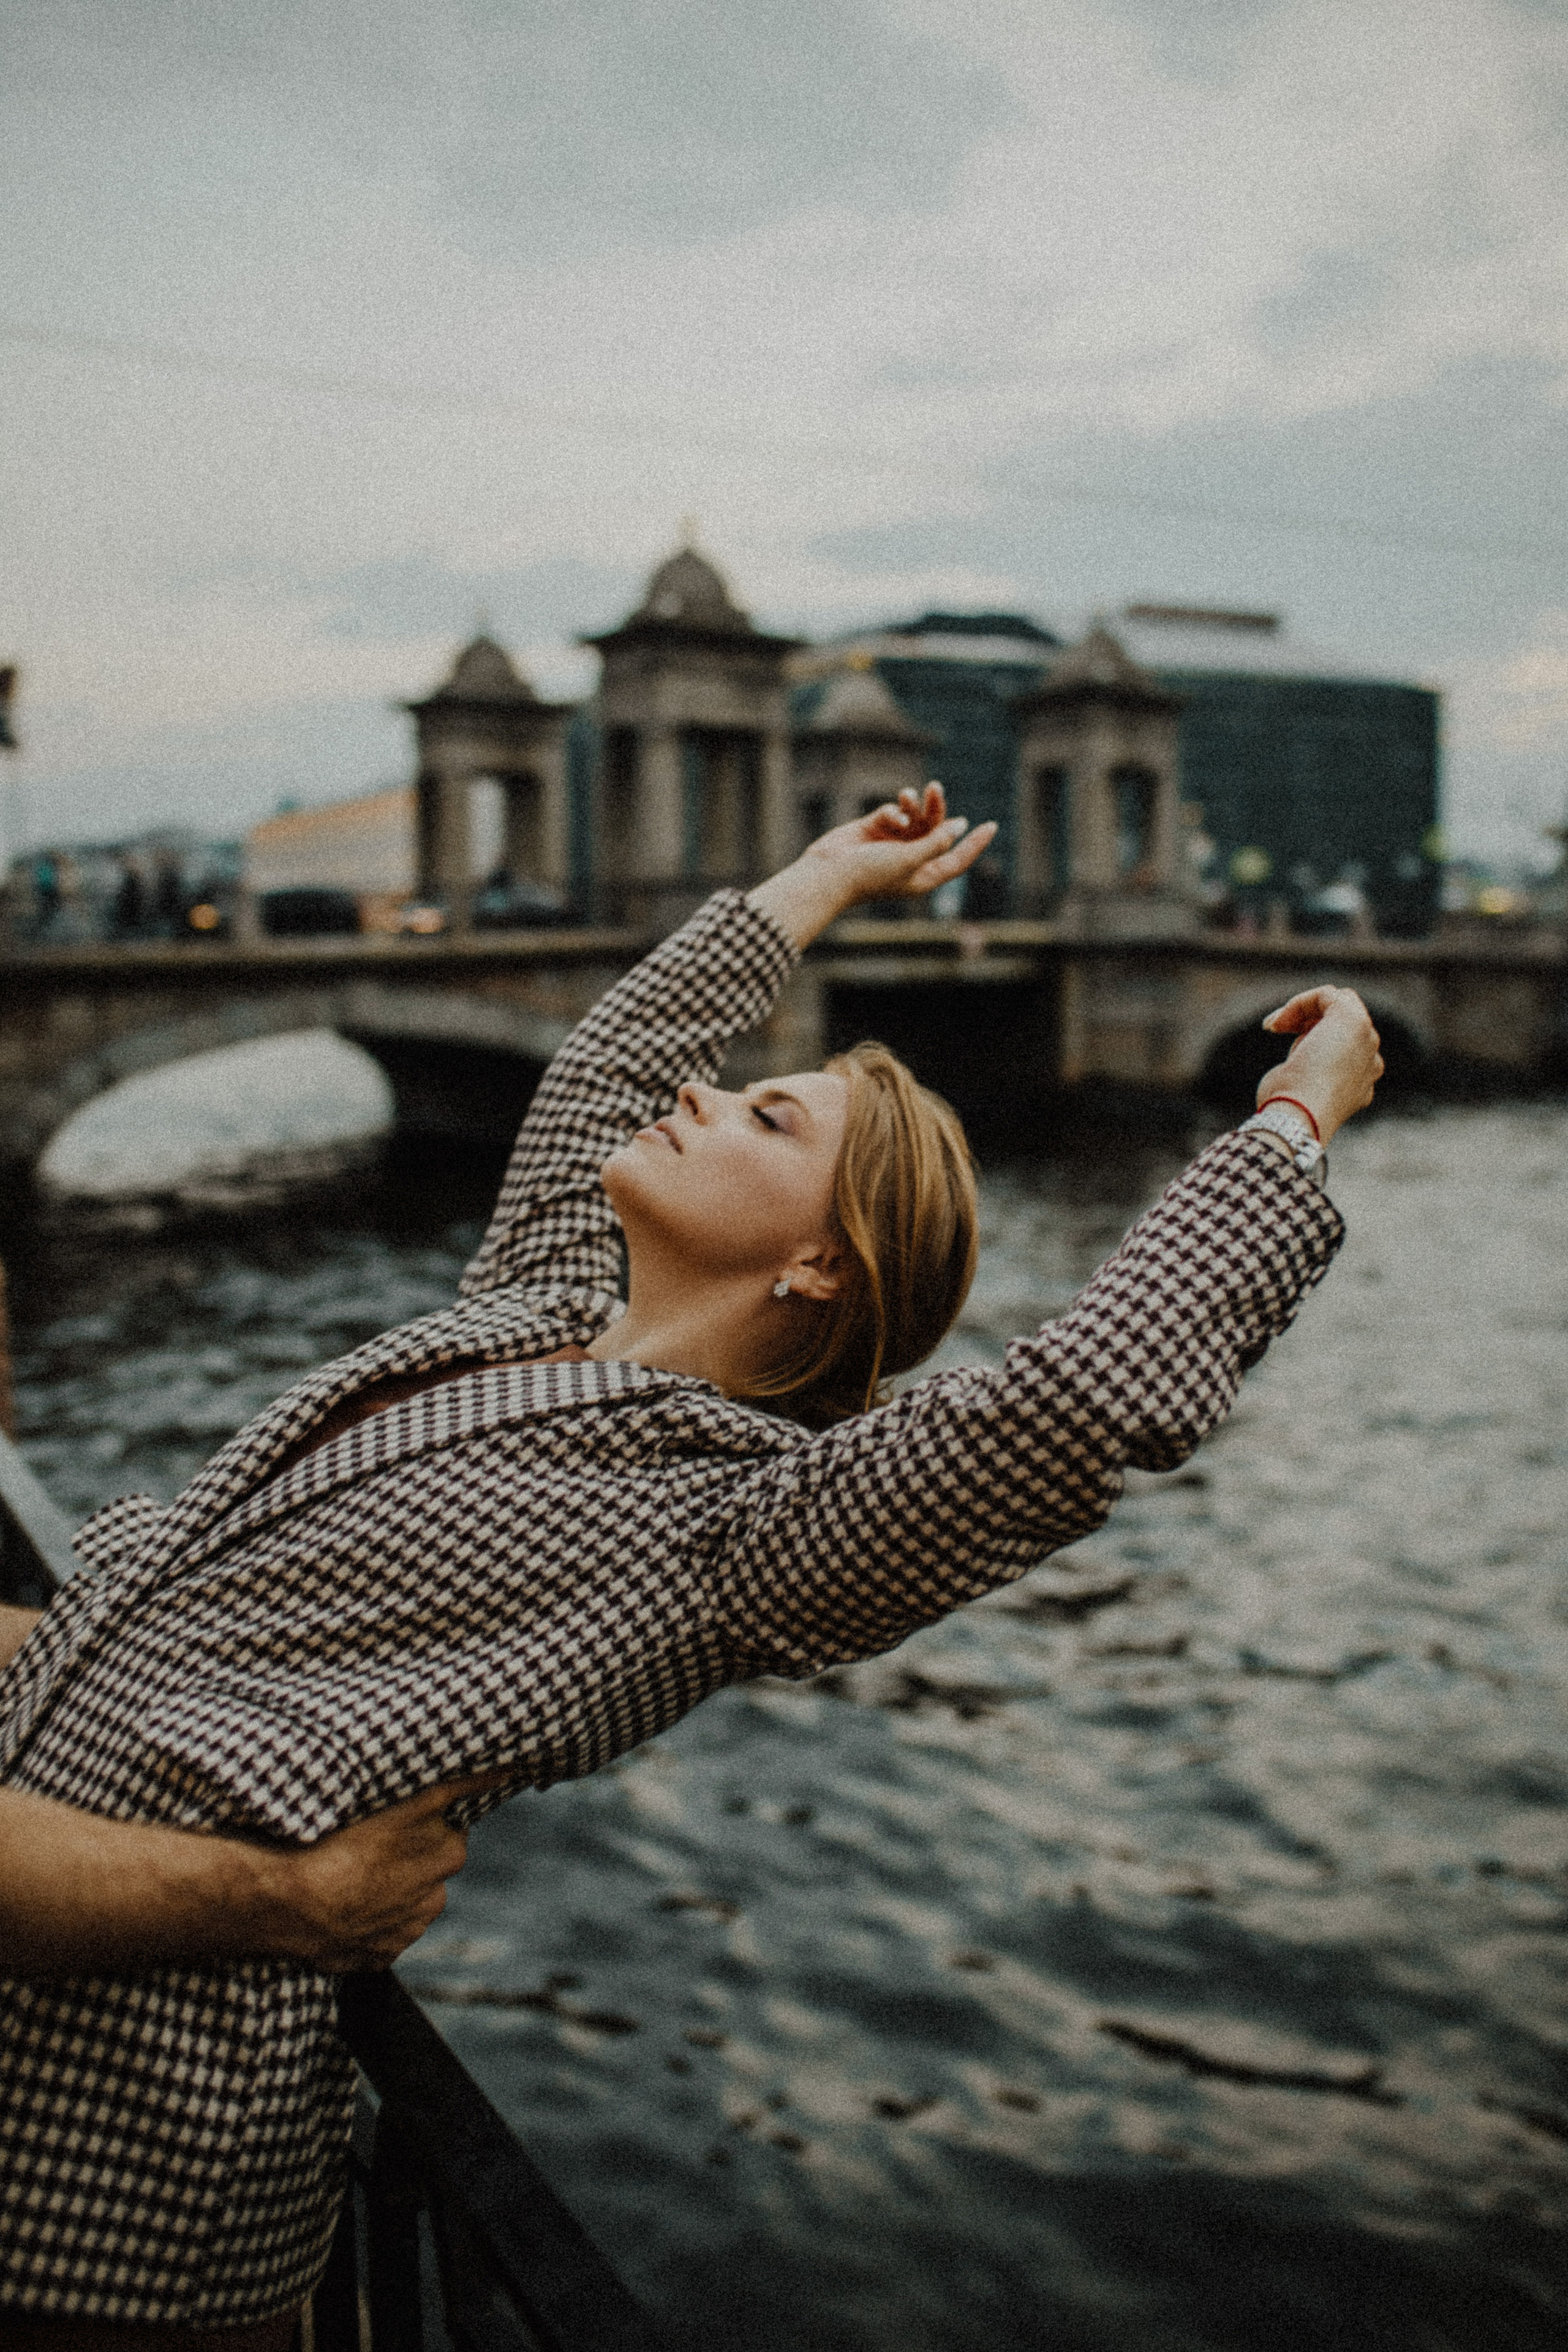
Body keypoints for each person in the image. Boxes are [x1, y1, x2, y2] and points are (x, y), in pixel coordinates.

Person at [0, 788, 1381, 2342]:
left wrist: (1293, 1122)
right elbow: (611, 1063)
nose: (703, 1096)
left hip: (114, 2191)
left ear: (817, 1264)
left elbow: (1071, 1402)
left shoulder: (740, 1524)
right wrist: (813, 883)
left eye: (766, 1118)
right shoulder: (527, 1310)